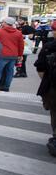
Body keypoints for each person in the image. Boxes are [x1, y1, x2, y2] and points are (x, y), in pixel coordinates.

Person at [35, 20, 56, 157]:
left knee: (54, 112)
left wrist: (48, 82)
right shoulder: (50, 46)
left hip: (53, 86)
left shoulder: (49, 47)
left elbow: (41, 68)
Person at [0, 17, 24, 92]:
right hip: (13, 55)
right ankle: (6, 87)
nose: (2, 23)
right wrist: (20, 55)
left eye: (3, 22)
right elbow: (21, 45)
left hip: (2, 54)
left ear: (6, 23)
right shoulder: (18, 33)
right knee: (10, 71)